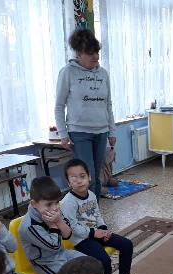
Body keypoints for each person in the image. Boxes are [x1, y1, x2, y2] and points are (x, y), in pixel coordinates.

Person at [60, 159, 144, 274]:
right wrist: (93, 233)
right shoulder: (68, 202)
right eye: (74, 178)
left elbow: (97, 215)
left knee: (127, 244)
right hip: (81, 240)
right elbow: (72, 226)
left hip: (96, 233)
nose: (79, 181)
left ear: (89, 177)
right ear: (68, 183)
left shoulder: (92, 195)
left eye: (82, 176)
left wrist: (104, 230)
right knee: (104, 259)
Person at [55, 28, 115, 198]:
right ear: (79, 54)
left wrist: (112, 131)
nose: (95, 56)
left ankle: (95, 210)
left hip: (101, 131)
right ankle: (85, 210)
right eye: (90, 53)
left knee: (96, 176)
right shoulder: (68, 72)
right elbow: (59, 106)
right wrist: (63, 134)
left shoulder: (103, 74)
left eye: (97, 52)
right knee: (86, 177)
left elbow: (108, 104)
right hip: (79, 132)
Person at [18, 176, 84, 274]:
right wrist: (53, 225)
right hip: (45, 263)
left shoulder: (55, 211)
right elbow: (54, 246)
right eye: (49, 204)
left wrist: (59, 221)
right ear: (34, 204)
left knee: (91, 265)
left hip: (62, 253)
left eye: (57, 202)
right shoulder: (29, 226)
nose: (54, 208)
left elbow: (68, 234)